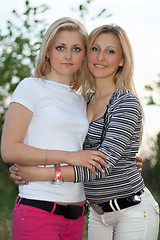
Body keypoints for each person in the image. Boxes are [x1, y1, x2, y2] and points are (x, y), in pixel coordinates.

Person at [8, 24, 159, 240]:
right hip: (98, 215)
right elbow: (73, 145)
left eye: (111, 51)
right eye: (95, 49)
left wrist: (40, 173)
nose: (101, 57)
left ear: (122, 60)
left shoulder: (125, 102)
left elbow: (100, 165)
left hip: (132, 209)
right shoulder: (82, 101)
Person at [1, 17, 109, 240]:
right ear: (48, 51)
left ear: (84, 56)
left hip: (77, 216)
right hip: (38, 210)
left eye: (76, 49)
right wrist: (70, 157)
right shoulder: (30, 87)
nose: (68, 56)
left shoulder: (82, 102)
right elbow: (9, 150)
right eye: (61, 47)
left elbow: (90, 152)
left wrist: (127, 160)